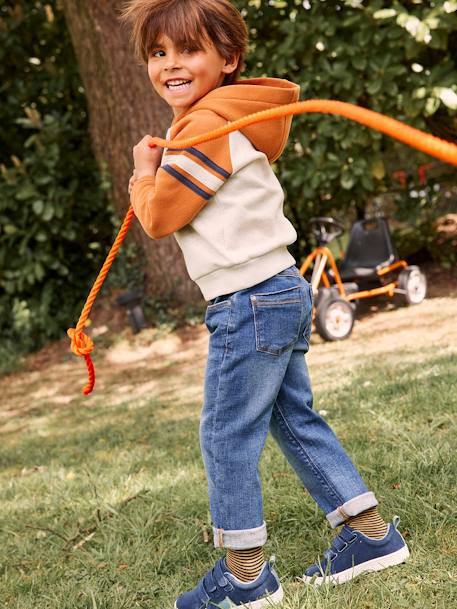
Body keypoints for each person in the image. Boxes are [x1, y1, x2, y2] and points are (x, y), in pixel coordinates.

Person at [120, 1, 409, 607]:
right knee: (290, 416)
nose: (171, 64)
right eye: (158, 52)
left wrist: (143, 175)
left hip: (248, 298)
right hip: (276, 288)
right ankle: (369, 535)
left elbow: (160, 217)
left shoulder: (205, 129)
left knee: (226, 433)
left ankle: (245, 575)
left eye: (188, 50)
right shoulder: (222, 121)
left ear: (229, 60)